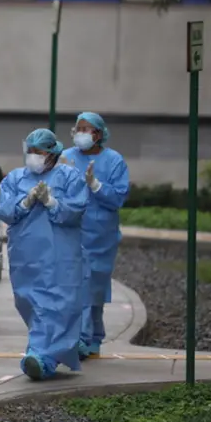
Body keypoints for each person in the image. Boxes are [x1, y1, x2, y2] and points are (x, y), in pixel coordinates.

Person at [0, 128, 89, 381]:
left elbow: (76, 210)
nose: (33, 156)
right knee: (29, 303)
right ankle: (47, 350)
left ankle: (40, 357)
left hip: (60, 255)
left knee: (56, 304)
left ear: (53, 153)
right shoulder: (15, 179)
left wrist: (52, 202)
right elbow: (3, 210)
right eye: (31, 151)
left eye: (40, 152)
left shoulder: (70, 177)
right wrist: (25, 203)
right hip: (26, 255)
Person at [61, 112, 130, 359]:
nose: (80, 134)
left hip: (101, 236)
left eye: (86, 129)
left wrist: (96, 186)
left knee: (94, 290)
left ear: (98, 134)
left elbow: (118, 198)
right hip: (71, 232)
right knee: (78, 286)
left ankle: (93, 337)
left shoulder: (114, 161)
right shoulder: (66, 158)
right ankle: (80, 338)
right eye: (77, 128)